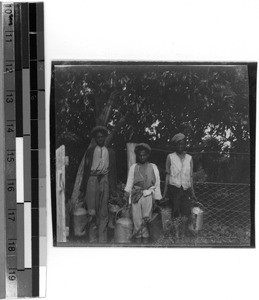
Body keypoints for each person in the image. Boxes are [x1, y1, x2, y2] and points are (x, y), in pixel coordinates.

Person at [79, 126, 117, 243]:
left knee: (103, 210)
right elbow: (85, 170)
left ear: (105, 138)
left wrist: (113, 189)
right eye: (98, 137)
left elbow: (113, 171)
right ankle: (92, 239)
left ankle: (102, 240)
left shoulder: (110, 152)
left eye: (102, 137)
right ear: (95, 138)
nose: (100, 139)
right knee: (92, 211)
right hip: (92, 179)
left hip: (104, 180)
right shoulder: (90, 151)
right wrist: (83, 188)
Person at [124, 143, 162, 244]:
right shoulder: (133, 167)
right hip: (136, 195)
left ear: (148, 155)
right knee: (137, 222)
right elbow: (129, 182)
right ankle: (137, 242)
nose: (142, 157)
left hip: (148, 195)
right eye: (140, 155)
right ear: (137, 155)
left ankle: (145, 243)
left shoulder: (153, 167)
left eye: (144, 155)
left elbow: (157, 183)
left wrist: (157, 198)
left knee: (146, 220)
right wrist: (126, 195)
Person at [163, 133, 196, 232]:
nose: (180, 146)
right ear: (175, 145)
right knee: (175, 211)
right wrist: (164, 193)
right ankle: (176, 233)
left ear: (185, 144)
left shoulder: (189, 158)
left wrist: (193, 192)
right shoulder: (170, 157)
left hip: (186, 189)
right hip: (174, 189)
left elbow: (190, 176)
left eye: (182, 144)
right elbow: (167, 175)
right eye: (178, 144)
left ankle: (183, 232)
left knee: (186, 211)